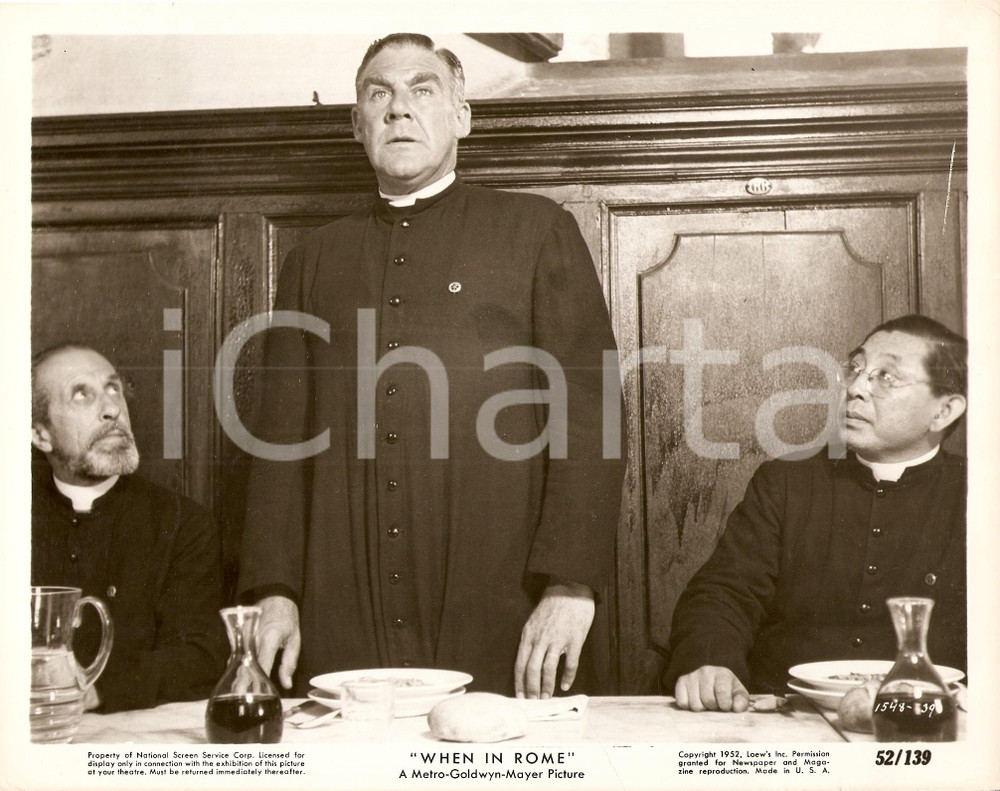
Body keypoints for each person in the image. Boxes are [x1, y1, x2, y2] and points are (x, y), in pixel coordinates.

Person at [237, 33, 625, 699]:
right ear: (357, 125)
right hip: (341, 610)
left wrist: (570, 584)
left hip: (506, 608)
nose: (398, 109)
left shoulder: (536, 231)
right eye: (378, 95)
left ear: (462, 116)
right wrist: (275, 592)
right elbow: (280, 444)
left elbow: (589, 415)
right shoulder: (313, 261)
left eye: (423, 90)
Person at [664, 314, 967, 712]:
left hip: (927, 724)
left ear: (944, 411)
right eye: (856, 369)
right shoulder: (786, 481)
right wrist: (710, 663)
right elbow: (724, 594)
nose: (856, 388)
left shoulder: (978, 495)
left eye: (886, 377)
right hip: (786, 718)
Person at [31, 345, 228, 712]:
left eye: (113, 389)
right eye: (81, 395)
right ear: (41, 435)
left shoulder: (182, 522)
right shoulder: (13, 521)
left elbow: (202, 657)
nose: (112, 409)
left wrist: (100, 688)